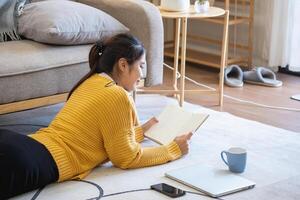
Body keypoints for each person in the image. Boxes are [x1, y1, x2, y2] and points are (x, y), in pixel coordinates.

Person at [0, 33, 192, 199]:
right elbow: (127, 158)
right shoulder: (116, 95)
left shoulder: (92, 81)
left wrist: (138, 132)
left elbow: (98, 134)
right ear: (123, 65)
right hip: (28, 162)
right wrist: (174, 149)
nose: (141, 74)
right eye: (140, 66)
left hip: (23, 144)